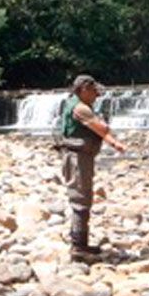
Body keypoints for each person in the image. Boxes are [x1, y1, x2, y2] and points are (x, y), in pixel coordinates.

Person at [57, 74, 127, 259]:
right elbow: (100, 129)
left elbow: (100, 132)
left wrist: (114, 143)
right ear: (84, 89)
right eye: (94, 91)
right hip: (76, 159)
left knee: (84, 196)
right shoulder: (81, 108)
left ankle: (81, 243)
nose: (97, 95)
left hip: (80, 156)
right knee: (81, 199)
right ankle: (78, 246)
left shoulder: (75, 102)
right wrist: (112, 138)